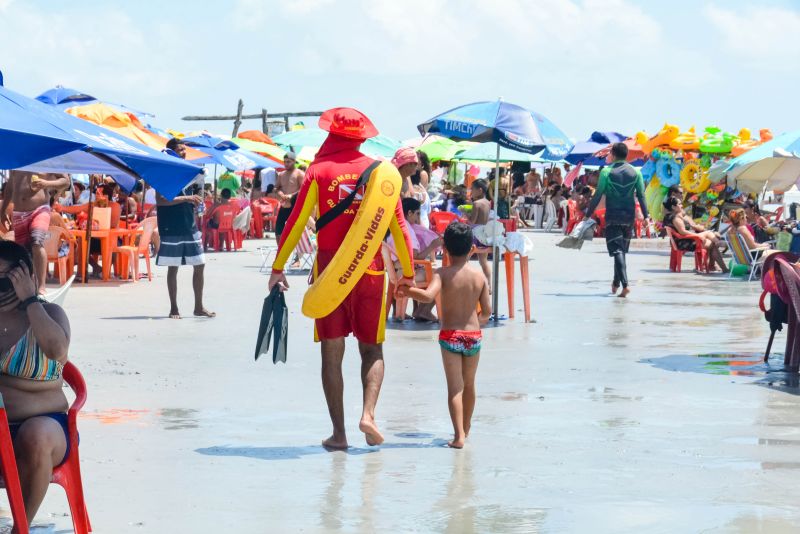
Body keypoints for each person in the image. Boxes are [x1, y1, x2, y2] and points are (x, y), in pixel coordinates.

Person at [269, 107, 414, 450]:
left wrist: (278, 268)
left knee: (332, 352)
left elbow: (295, 223)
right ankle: (368, 415)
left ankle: (339, 434)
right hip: (371, 271)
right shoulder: (381, 173)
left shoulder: (318, 171)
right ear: (362, 138)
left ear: (331, 134)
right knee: (372, 348)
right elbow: (399, 228)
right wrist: (407, 275)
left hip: (330, 274)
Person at [397, 222, 491, 448]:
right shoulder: (479, 277)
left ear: (445, 249)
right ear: (472, 249)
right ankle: (466, 428)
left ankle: (458, 436)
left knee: (455, 388)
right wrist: (475, 324)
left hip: (450, 336)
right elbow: (487, 312)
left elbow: (428, 297)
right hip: (473, 336)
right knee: (469, 385)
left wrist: (408, 290)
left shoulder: (442, 274)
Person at [0, 241, 71, 526]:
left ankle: (20, 529)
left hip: (47, 426)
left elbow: (57, 350)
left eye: (6, 278)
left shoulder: (50, 314)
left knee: (36, 434)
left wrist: (30, 300)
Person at [157, 138, 215, 319]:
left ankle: (199, 307)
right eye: (180, 150)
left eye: (184, 150)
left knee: (200, 264)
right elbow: (161, 200)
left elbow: (192, 195)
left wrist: (197, 201)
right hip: (171, 226)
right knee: (173, 267)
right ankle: (174, 308)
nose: (184, 153)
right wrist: (187, 199)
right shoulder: (164, 173)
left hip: (189, 224)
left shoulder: (189, 173)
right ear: (171, 152)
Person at [584, 142, 650, 298]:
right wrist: (646, 216)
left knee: (617, 250)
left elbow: (598, 194)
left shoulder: (607, 172)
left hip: (613, 216)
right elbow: (641, 195)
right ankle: (616, 283)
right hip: (629, 217)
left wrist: (588, 214)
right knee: (620, 251)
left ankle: (625, 285)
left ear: (613, 154)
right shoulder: (636, 172)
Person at [1, 171, 70, 294]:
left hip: (40, 209)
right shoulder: (17, 162)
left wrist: (46, 183)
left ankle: (41, 287)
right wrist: (2, 211)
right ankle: (27, 287)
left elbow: (66, 181)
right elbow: (10, 186)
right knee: (22, 252)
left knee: (37, 242)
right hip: (18, 212)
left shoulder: (45, 161)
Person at [388, 197, 443, 321]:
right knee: (441, 277)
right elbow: (414, 257)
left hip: (395, 271)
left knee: (425, 269)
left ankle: (406, 310)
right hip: (405, 273)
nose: (418, 218)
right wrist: (432, 245)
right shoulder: (407, 229)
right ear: (409, 213)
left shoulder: (395, 225)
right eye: (417, 214)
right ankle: (423, 311)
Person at [663, 197, 729, 273]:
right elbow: (683, 232)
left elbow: (685, 226)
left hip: (680, 241)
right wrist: (697, 235)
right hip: (684, 243)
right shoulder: (676, 218)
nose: (682, 205)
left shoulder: (668, 216)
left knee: (710, 236)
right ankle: (721, 265)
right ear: (673, 207)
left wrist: (695, 229)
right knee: (712, 243)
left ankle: (713, 262)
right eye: (679, 204)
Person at [462, 179, 491, 285]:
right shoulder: (487, 202)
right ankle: (489, 284)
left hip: (475, 234)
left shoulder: (476, 203)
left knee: (464, 260)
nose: (471, 191)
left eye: (472, 189)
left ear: (480, 190)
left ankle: (467, 283)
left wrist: (465, 212)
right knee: (484, 262)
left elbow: (472, 221)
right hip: (484, 233)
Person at [274, 152, 304, 242]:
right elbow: (276, 188)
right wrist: (280, 193)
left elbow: (303, 189)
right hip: (285, 204)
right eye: (285, 162)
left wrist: (292, 195)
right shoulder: (281, 174)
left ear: (294, 161)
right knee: (278, 229)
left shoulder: (299, 174)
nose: (286, 164)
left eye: (288, 162)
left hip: (295, 204)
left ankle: (297, 247)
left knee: (295, 228)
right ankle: (280, 249)